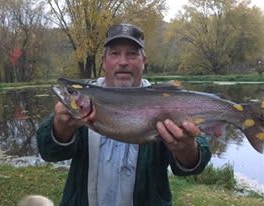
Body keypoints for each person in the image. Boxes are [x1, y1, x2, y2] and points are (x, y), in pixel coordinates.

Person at [37, 23, 211, 206]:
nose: (123, 62)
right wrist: (60, 129)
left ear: (144, 62)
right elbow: (49, 152)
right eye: (115, 53)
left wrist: (185, 147)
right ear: (103, 62)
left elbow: (194, 164)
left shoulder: (162, 100)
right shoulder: (86, 98)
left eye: (132, 54)